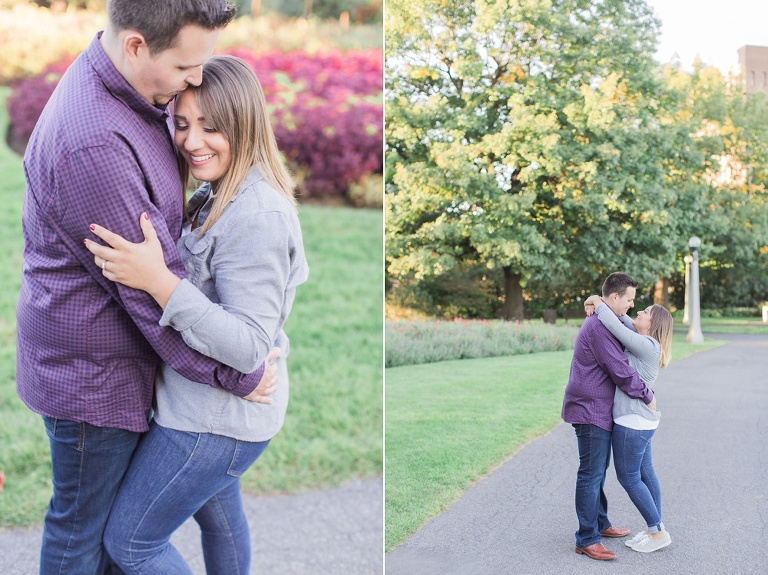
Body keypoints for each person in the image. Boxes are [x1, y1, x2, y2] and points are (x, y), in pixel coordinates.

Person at [16, 2, 279, 573]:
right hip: (94, 379)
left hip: (120, 366)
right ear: (136, 46)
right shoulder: (97, 145)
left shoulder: (135, 93)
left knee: (116, 534)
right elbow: (148, 298)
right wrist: (242, 374)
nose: (197, 80)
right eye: (187, 67)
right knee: (85, 532)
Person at [84, 54, 309, 574]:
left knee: (132, 544)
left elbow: (250, 346)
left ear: (244, 124)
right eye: (182, 124)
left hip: (212, 423)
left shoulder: (258, 216)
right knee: (220, 520)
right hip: (217, 408)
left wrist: (159, 282)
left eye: (211, 127)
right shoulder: (221, 190)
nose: (192, 141)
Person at [561, 272, 657, 561]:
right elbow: (621, 371)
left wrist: (594, 299)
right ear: (614, 297)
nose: (630, 305)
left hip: (598, 408)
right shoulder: (600, 328)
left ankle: (600, 523)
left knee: (597, 471)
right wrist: (648, 395)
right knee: (591, 473)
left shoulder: (608, 321)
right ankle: (586, 538)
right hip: (590, 408)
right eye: (628, 299)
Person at [584, 295, 673, 553]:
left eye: (645, 312)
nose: (639, 312)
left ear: (652, 323)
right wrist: (597, 300)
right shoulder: (648, 344)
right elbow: (620, 320)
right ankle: (655, 529)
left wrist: (599, 306)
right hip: (641, 422)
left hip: (632, 422)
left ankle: (657, 531)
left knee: (629, 478)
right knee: (646, 474)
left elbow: (615, 327)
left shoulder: (647, 345)